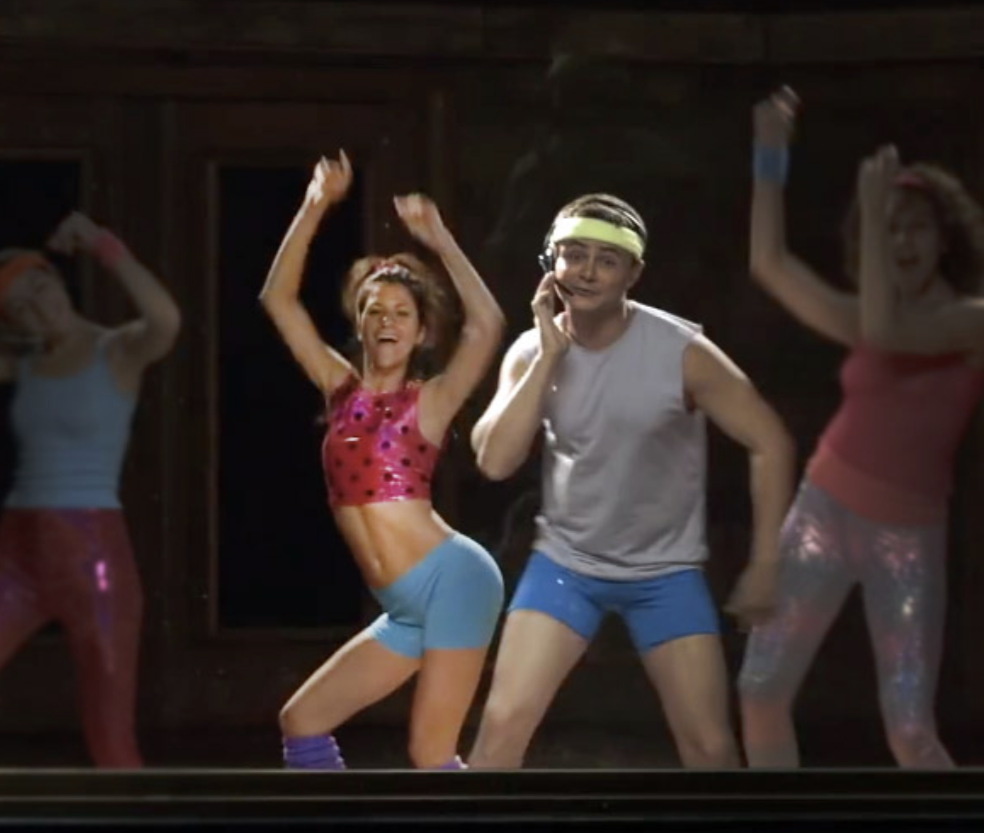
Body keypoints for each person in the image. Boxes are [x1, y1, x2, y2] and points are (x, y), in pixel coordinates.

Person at [467, 192, 795, 768]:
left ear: (633, 273)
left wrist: (767, 562)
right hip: (567, 565)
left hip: (664, 573)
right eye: (574, 255)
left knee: (711, 748)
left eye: (607, 259)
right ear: (551, 262)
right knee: (500, 727)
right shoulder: (531, 351)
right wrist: (547, 357)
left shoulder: (682, 352)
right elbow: (494, 462)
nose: (587, 272)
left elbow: (770, 440)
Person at [738, 89, 984, 768]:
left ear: (945, 238)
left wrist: (875, 212)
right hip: (823, 510)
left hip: (907, 536)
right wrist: (769, 154)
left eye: (917, 227)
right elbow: (769, 265)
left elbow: (887, 332)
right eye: (892, 227)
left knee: (910, 730)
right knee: (759, 691)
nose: (903, 240)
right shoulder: (867, 317)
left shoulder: (972, 320)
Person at [261, 151, 505, 770]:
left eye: (402, 313)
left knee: (429, 752)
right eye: (375, 311)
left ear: (420, 333)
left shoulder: (429, 402)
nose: (387, 321)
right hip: (404, 607)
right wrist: (314, 205)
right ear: (361, 325)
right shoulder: (338, 388)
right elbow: (278, 299)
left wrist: (440, 239)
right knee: (302, 721)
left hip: (454, 582)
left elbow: (485, 325)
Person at [0, 212, 181, 767]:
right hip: (17, 554)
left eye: (40, 288)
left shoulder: (115, 351)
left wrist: (104, 246)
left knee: (110, 737)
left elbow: (164, 320)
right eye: (19, 305)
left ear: (58, 282)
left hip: (94, 559)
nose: (37, 306)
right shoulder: (21, 364)